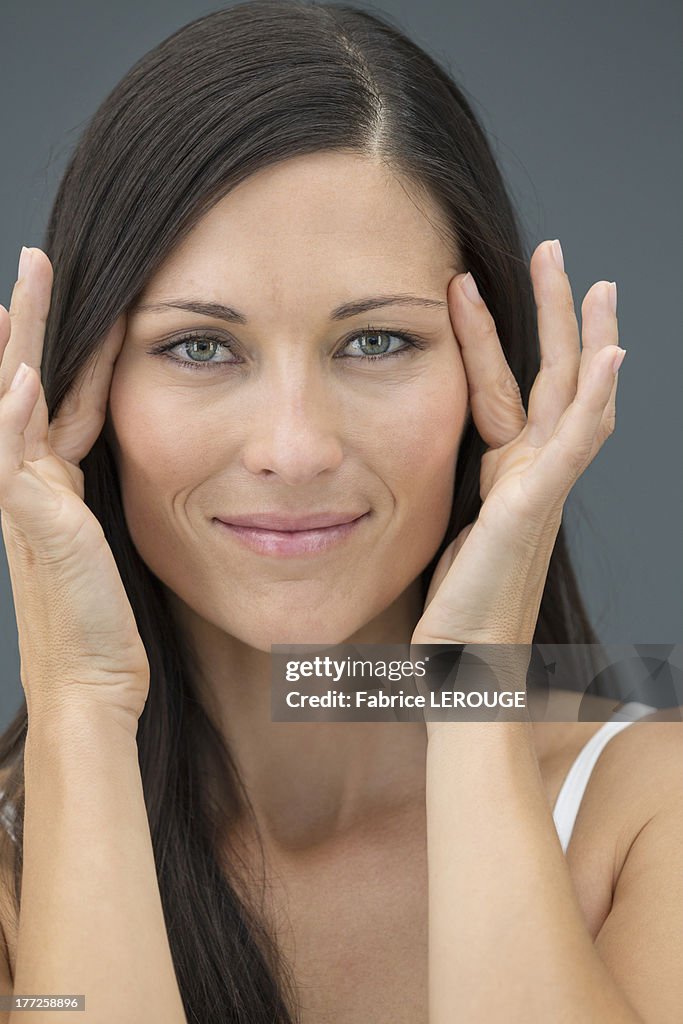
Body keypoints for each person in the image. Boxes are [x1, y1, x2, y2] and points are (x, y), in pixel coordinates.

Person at [0, 2, 680, 1022]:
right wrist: (81, 703)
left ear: (487, 373)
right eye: (198, 346)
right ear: (77, 390)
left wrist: (472, 685)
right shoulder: (18, 861)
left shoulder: (645, 809)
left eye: (373, 343)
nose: (294, 447)